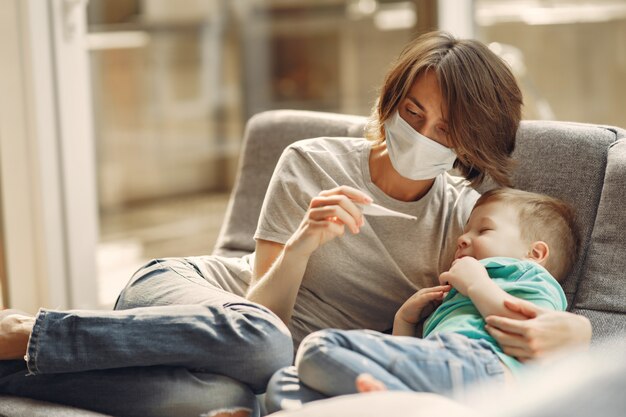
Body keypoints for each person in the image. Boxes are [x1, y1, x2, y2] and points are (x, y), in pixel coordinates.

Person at [0, 31, 590, 417]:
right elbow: (262, 313)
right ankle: (34, 333)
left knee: (212, 396)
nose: (423, 134)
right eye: (413, 112)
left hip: (263, 362)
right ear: (390, 101)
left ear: (469, 143)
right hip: (196, 296)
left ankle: (10, 376)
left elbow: (519, 293)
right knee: (262, 342)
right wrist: (304, 244)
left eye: (445, 130)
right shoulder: (312, 161)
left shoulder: (464, 219)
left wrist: (579, 334)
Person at [264, 188, 580, 411]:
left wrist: (477, 284)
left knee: (319, 348)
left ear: (535, 253)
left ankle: (396, 404)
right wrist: (405, 321)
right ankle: (393, 404)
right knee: (285, 382)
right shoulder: (460, 292)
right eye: (465, 229)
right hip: (449, 369)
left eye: (483, 230)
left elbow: (528, 329)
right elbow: (417, 358)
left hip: (488, 369)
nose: (463, 238)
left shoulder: (529, 277)